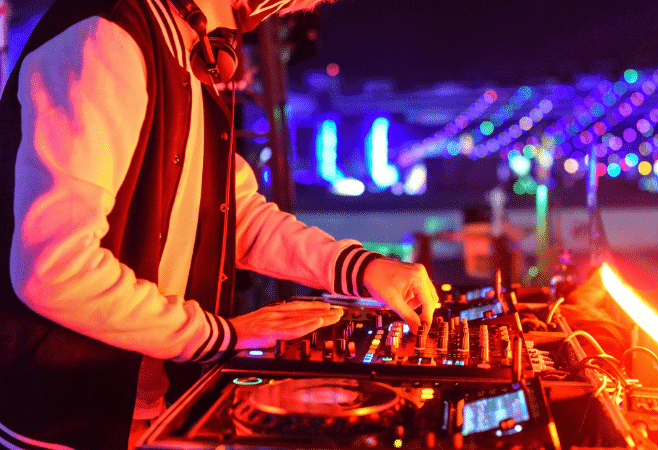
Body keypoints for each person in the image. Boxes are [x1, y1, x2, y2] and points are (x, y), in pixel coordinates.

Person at [0, 1, 438, 449]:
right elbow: (55, 270)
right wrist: (223, 335)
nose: (284, 13)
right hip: (65, 423)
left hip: (148, 410)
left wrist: (361, 270)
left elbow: (236, 215)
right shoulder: (108, 36)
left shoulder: (186, 49)